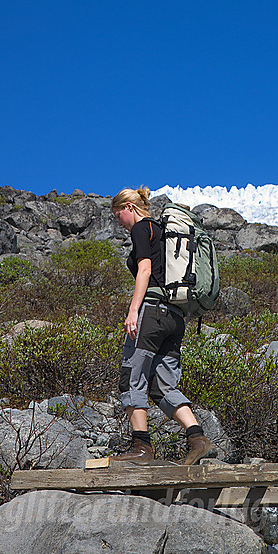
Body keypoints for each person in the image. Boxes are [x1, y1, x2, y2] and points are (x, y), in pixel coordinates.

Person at [110, 187, 214, 465]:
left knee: (131, 377)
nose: (118, 222)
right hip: (175, 319)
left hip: (152, 314)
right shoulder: (163, 231)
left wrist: (133, 311)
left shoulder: (142, 228)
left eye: (118, 214)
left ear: (129, 208)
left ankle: (141, 447)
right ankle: (198, 438)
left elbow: (144, 270)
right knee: (161, 386)